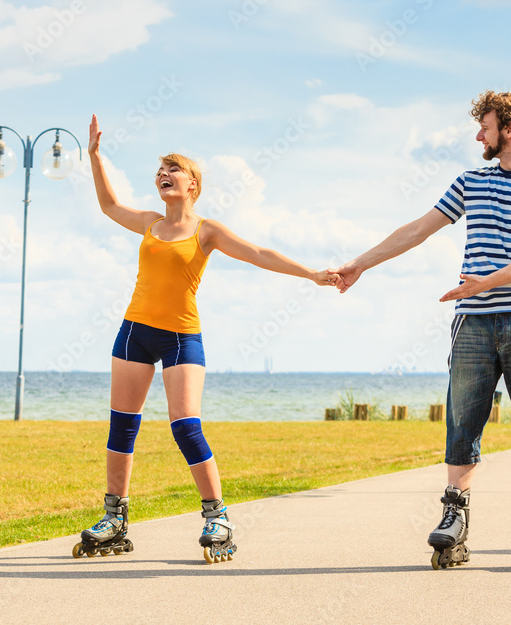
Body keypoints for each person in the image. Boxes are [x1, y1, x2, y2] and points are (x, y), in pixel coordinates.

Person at [73, 114, 336, 564]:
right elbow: (108, 206)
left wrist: (310, 273)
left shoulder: (206, 230)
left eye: (173, 169)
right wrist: (95, 155)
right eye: (160, 170)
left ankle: (217, 517)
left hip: (181, 337)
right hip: (134, 332)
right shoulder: (151, 223)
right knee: (122, 424)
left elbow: (258, 253)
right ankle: (114, 517)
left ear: (192, 183)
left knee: (185, 425)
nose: (164, 175)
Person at [329, 91, 511, 572]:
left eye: (484, 125)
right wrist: (359, 264)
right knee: (463, 419)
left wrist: (486, 282)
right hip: (473, 323)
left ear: (508, 128)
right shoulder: (470, 181)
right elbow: (418, 229)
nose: (477, 134)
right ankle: (455, 517)